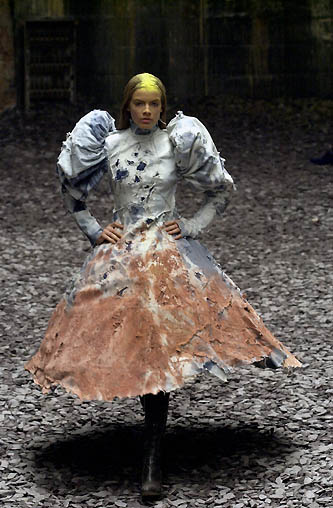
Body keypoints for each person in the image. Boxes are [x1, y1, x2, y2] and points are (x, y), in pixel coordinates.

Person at [26, 73, 301, 500]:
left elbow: (220, 191)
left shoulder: (178, 142)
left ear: (163, 105)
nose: (148, 111)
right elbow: (71, 189)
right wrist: (94, 229)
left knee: (162, 344)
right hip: (121, 256)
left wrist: (192, 225)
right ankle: (150, 445)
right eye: (140, 103)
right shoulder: (108, 143)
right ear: (128, 105)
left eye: (155, 103)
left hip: (169, 257)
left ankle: (153, 452)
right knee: (129, 343)